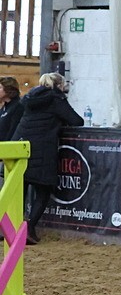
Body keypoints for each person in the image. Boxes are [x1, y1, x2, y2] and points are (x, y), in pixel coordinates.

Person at [13, 73, 83, 244]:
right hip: (42, 150)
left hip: (21, 146)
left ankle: (12, 229)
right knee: (43, 192)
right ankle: (29, 229)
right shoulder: (56, 99)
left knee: (19, 191)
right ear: (59, 85)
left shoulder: (29, 99)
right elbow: (76, 120)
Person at [0, 77, 24, 142]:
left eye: (0, 88)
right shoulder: (4, 107)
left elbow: (13, 131)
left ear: (8, 90)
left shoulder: (18, 106)